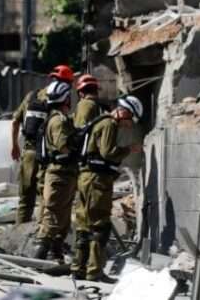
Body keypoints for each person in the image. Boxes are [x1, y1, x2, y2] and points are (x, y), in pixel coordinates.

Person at [71, 95, 144, 283]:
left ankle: (78, 268)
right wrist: (129, 149)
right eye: (130, 120)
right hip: (97, 181)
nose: (129, 125)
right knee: (100, 226)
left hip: (86, 177)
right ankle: (94, 271)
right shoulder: (109, 124)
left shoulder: (100, 122)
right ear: (124, 112)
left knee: (84, 225)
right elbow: (108, 153)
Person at [11, 64, 74, 223]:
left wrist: (14, 145)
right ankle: (41, 233)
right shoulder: (58, 100)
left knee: (25, 200)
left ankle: (19, 233)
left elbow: (15, 121)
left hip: (28, 153)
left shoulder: (31, 96)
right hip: (45, 157)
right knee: (45, 200)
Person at [33, 80, 77, 260]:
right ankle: (37, 260)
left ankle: (55, 255)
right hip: (59, 175)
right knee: (52, 219)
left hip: (64, 175)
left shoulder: (57, 118)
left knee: (63, 220)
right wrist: (78, 149)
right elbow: (63, 146)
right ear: (65, 99)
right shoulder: (58, 120)